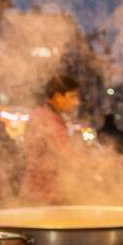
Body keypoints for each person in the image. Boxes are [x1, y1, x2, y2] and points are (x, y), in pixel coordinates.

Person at [22, 75, 81, 203]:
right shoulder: (45, 118)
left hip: (47, 192)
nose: (77, 102)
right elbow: (68, 155)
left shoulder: (47, 115)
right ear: (58, 96)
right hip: (42, 195)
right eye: (72, 96)